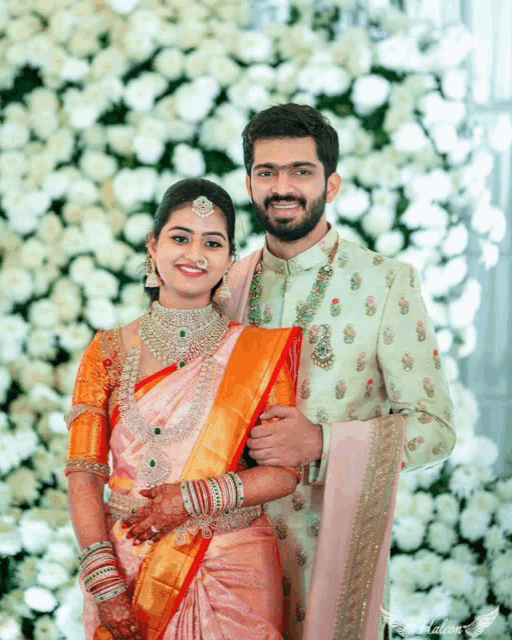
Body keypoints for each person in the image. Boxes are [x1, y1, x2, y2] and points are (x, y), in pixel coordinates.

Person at [218, 103, 457, 640]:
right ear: (249, 183)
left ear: (332, 182)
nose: (283, 187)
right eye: (267, 172)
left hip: (333, 549)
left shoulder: (385, 282)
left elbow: (436, 428)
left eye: (301, 171)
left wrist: (324, 442)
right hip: (230, 557)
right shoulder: (226, 285)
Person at [65, 178, 304, 640]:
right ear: (152, 246)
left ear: (229, 260)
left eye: (212, 243)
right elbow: (83, 474)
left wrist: (193, 499)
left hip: (233, 567)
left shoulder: (256, 352)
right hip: (129, 568)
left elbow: (284, 473)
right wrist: (104, 581)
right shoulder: (106, 352)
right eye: (180, 237)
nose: (195, 254)